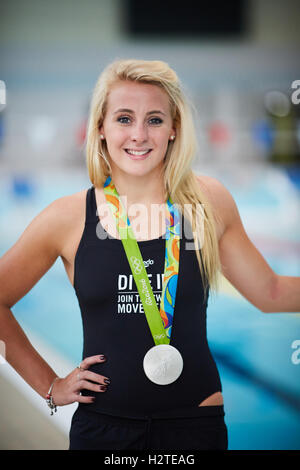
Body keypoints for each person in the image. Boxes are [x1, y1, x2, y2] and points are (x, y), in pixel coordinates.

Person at [0, 59, 299, 451]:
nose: (139, 135)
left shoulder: (208, 202)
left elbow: (270, 291)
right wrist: (50, 385)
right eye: (124, 118)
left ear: (174, 128)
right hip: (103, 429)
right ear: (101, 129)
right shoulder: (68, 217)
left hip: (196, 423)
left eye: (155, 120)